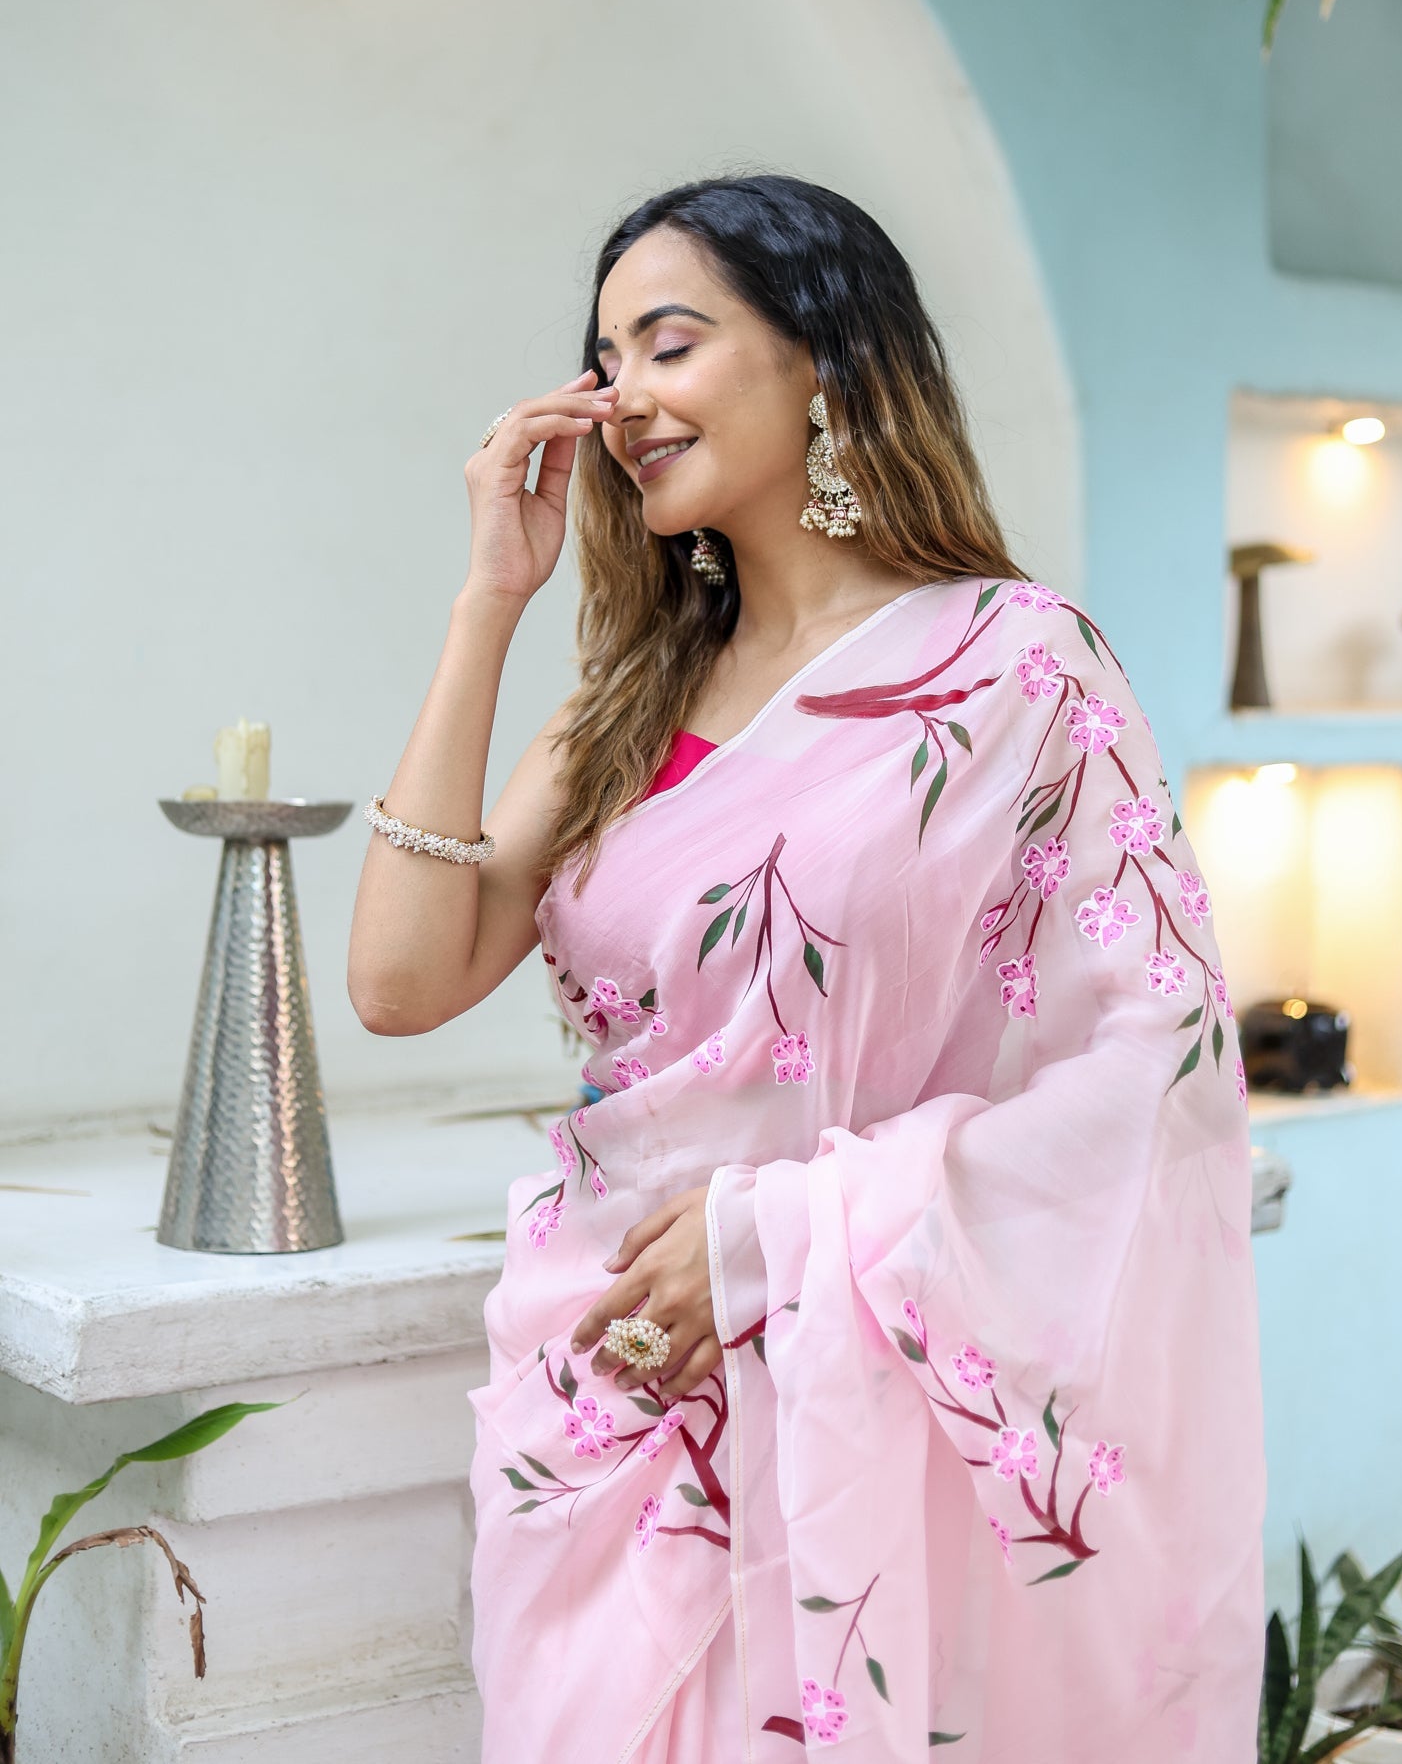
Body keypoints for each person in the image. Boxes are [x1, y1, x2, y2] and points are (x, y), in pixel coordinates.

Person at [347, 174, 1264, 1763]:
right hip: (615, 1400)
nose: (621, 395)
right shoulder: (628, 704)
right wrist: (488, 601)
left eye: (669, 342)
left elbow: (1154, 1068)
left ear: (824, 360)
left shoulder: (1016, 669)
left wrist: (780, 1236)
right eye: (604, 355)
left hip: (864, 1397)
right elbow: (400, 982)